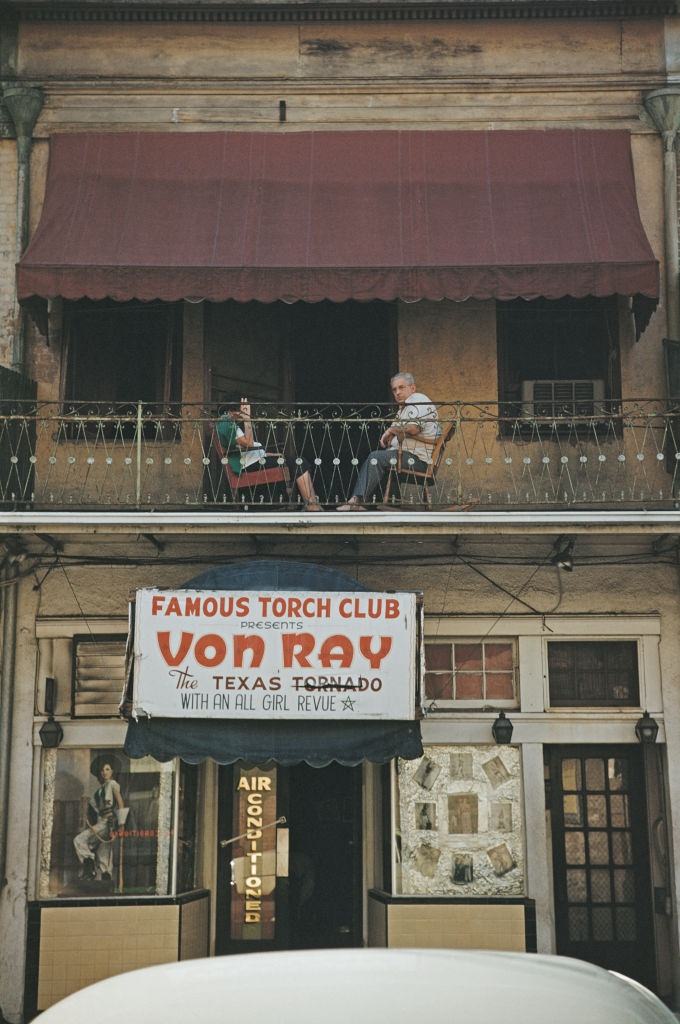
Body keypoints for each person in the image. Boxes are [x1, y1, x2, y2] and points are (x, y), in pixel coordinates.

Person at [338, 372, 439, 510]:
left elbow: (414, 428)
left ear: (413, 388)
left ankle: (356, 501)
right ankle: (385, 503)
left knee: (375, 457)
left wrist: (391, 431)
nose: (397, 392)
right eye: (394, 389)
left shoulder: (418, 400)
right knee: (380, 456)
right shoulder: (404, 408)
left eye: (401, 387)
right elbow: (398, 432)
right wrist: (390, 438)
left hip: (418, 461)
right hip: (405, 456)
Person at [215, 399, 322, 511]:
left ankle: (309, 504)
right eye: (241, 410)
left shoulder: (225, 423)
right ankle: (312, 505)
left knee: (294, 461)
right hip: (249, 465)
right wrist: (247, 419)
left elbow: (242, 448)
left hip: (255, 459)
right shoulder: (226, 423)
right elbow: (249, 444)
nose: (240, 414)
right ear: (233, 411)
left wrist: (267, 454)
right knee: (299, 463)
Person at [73, 756, 126, 883]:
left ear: (112, 771)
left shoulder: (113, 784)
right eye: (102, 770)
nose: (104, 772)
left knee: (79, 840)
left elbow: (120, 804)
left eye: (107, 769)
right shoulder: (99, 790)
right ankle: (105, 877)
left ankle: (90, 867)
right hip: (101, 822)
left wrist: (121, 824)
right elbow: (96, 809)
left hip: (108, 823)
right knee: (104, 852)